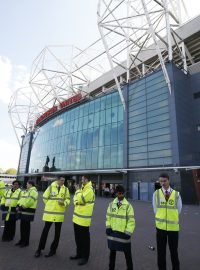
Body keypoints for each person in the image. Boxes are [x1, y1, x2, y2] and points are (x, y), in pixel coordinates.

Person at [152, 173, 182, 270]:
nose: (163, 183)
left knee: (174, 252)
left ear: (169, 180)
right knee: (161, 252)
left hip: (173, 228)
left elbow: (179, 210)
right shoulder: (156, 194)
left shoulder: (176, 194)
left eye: (164, 181)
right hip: (160, 228)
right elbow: (155, 210)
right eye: (161, 181)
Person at [35, 176, 70, 258]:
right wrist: (49, 205)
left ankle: (53, 250)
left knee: (57, 234)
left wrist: (64, 203)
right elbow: (44, 197)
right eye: (61, 180)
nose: (63, 182)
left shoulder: (66, 189)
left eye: (64, 180)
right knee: (45, 232)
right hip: (49, 214)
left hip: (59, 214)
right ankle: (39, 249)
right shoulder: (50, 187)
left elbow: (68, 199)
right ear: (57, 180)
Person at [106, 185, 135, 270]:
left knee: (127, 254)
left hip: (124, 234)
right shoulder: (111, 205)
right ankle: (111, 268)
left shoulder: (128, 206)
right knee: (112, 253)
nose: (121, 195)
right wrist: (108, 227)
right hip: (113, 234)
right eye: (119, 193)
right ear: (116, 193)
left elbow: (131, 220)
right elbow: (108, 217)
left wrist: (128, 232)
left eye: (122, 193)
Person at [70, 175, 95, 266]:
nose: (81, 180)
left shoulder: (89, 190)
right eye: (81, 179)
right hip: (76, 218)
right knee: (78, 238)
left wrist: (77, 191)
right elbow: (75, 200)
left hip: (84, 219)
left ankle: (85, 257)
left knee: (84, 240)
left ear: (87, 179)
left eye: (83, 179)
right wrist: (77, 200)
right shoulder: (83, 189)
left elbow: (81, 199)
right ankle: (79, 254)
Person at [15, 180, 38, 247]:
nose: (26, 185)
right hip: (23, 210)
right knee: (22, 226)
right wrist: (18, 205)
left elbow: (30, 201)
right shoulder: (27, 191)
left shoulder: (33, 191)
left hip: (28, 211)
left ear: (30, 184)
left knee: (26, 227)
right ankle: (22, 240)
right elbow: (22, 199)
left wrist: (21, 207)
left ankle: (25, 242)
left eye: (27, 184)